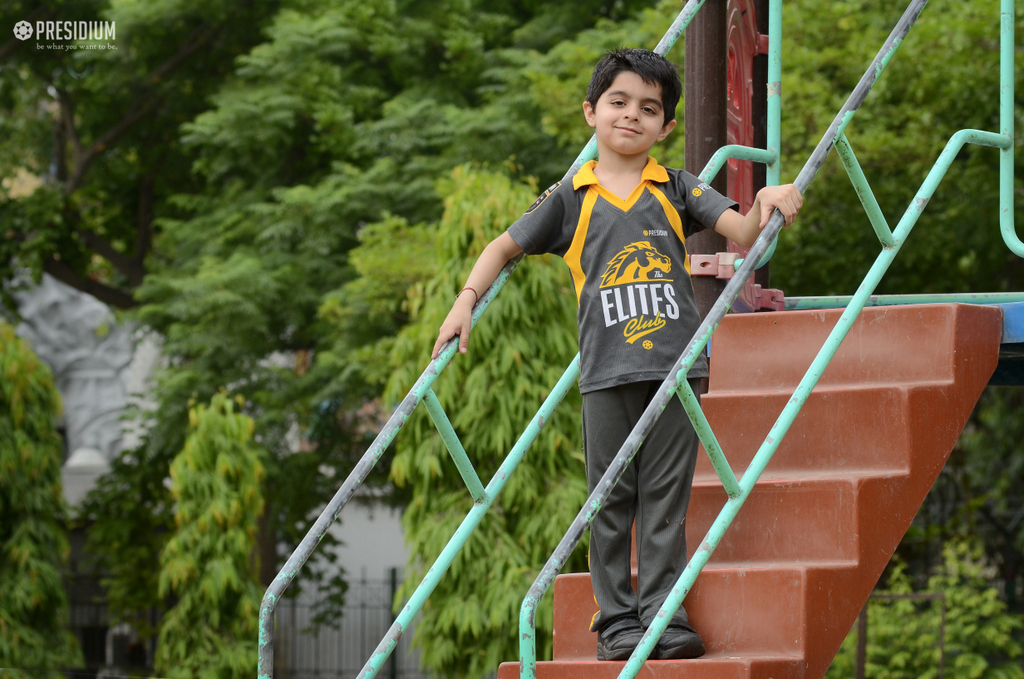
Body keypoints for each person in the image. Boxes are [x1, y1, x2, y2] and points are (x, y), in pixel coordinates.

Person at [432, 48, 802, 661]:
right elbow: (502, 247)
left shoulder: (677, 187)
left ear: (666, 127)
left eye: (648, 108)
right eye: (619, 102)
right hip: (606, 374)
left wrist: (770, 198)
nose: (632, 115)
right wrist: (466, 299)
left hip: (678, 371)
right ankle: (617, 622)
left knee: (665, 497)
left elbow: (742, 233)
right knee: (609, 498)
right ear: (591, 111)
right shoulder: (570, 198)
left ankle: (663, 614)